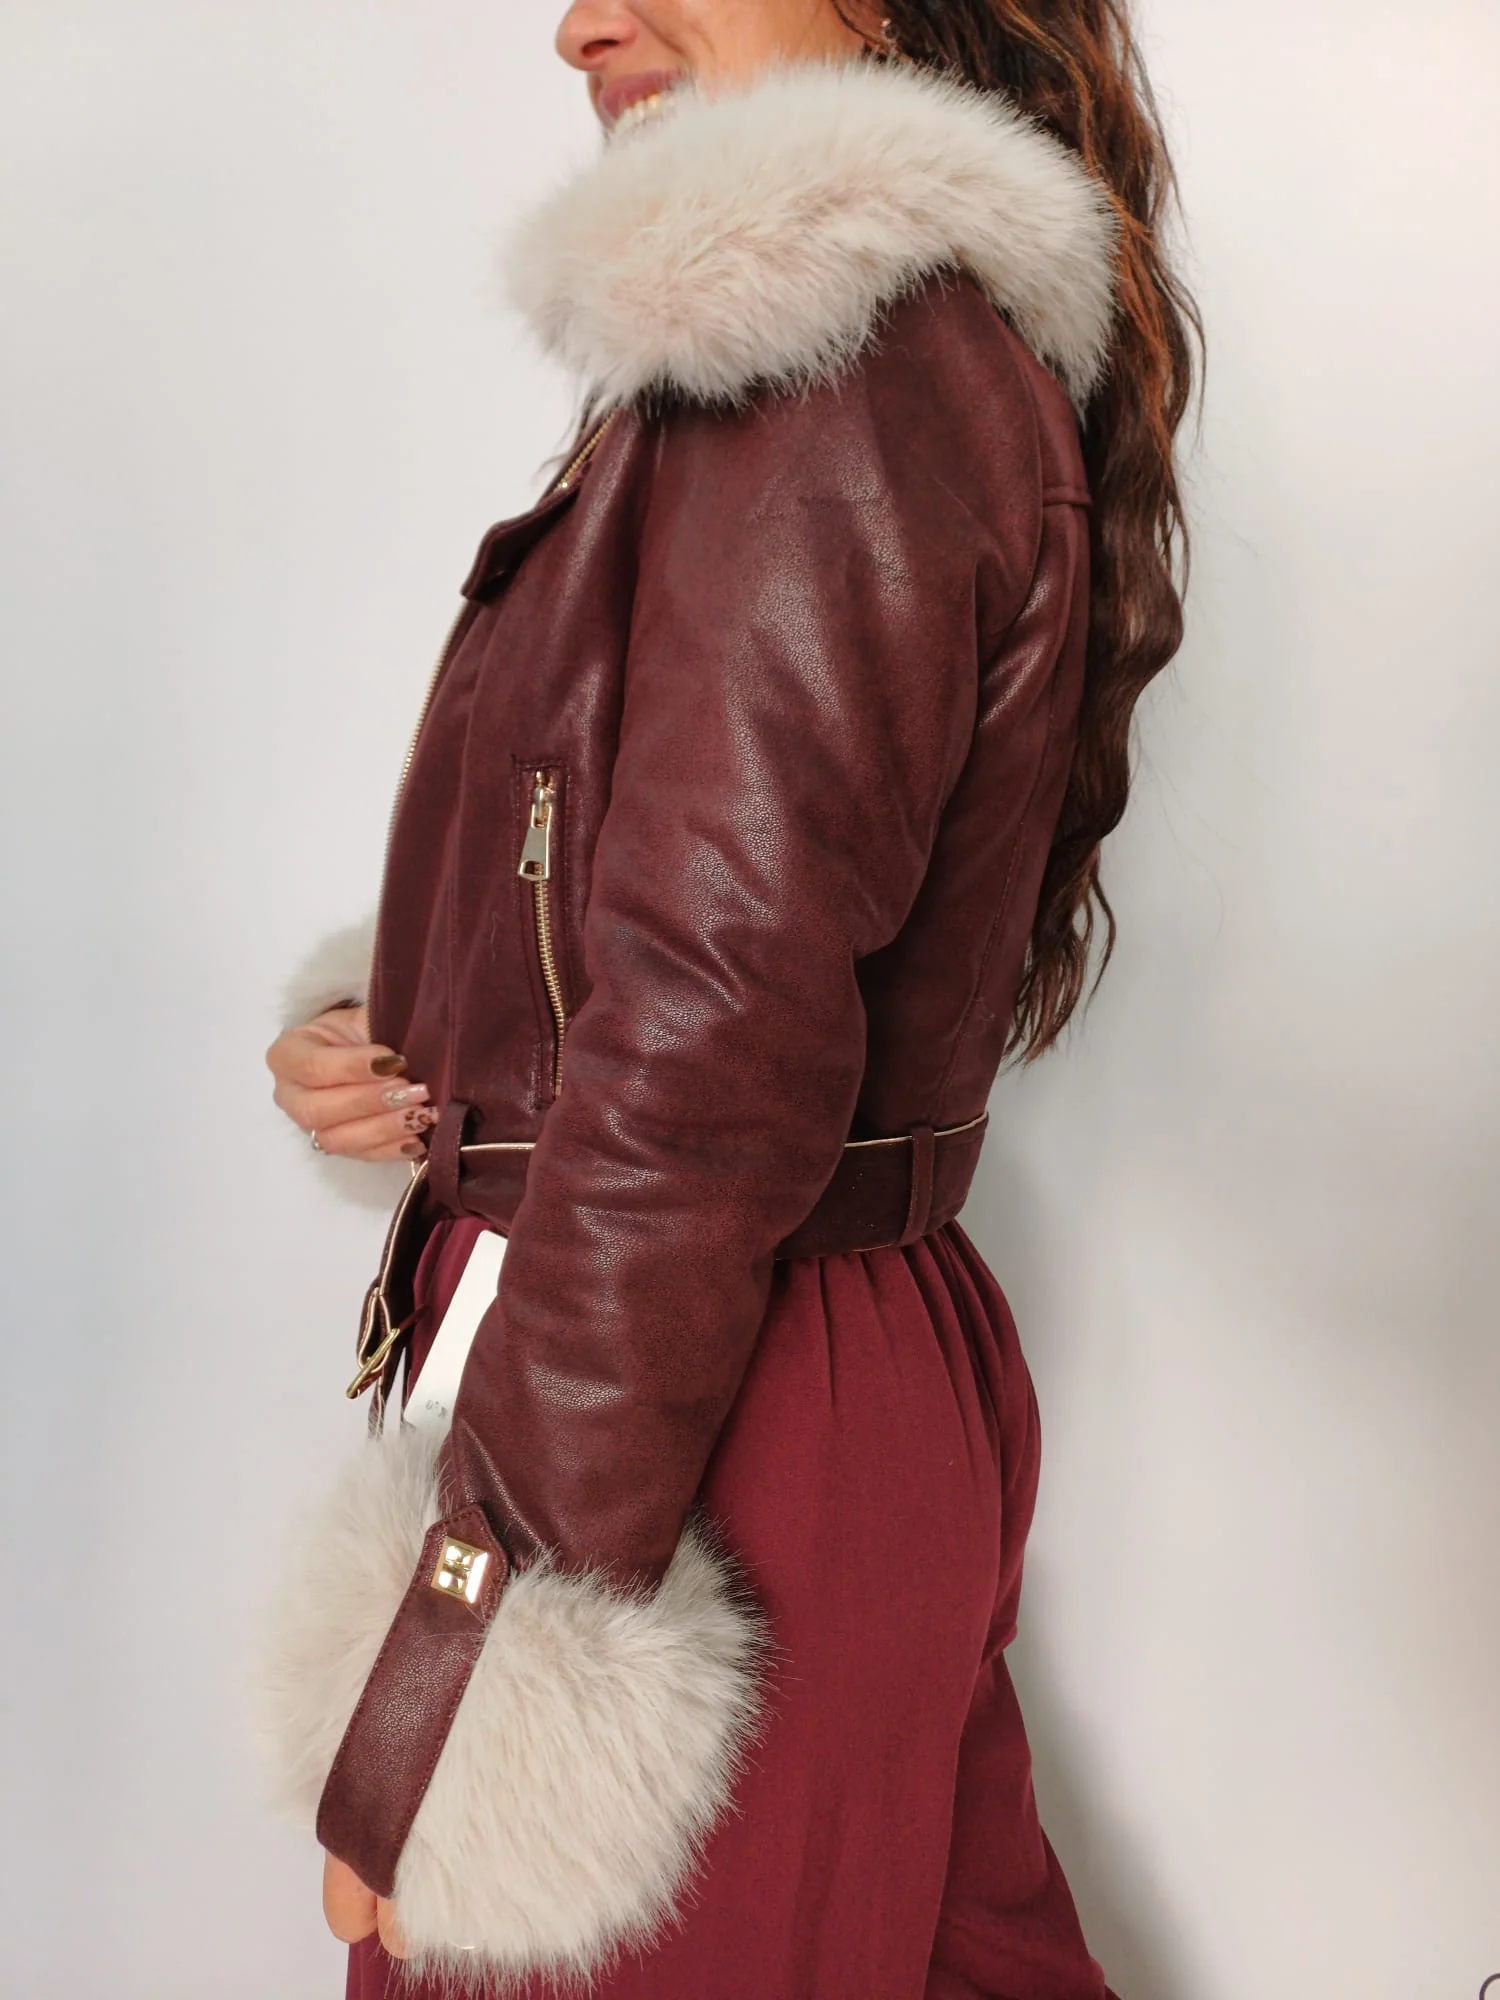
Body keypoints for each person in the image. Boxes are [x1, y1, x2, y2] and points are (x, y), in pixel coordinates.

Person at [262, 2, 1196, 1995]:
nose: (579, 24)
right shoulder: (862, 364)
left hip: (697, 1419)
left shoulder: (829, 365)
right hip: (753, 1364)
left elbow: (700, 1058)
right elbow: (683, 931)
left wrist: (468, 1664)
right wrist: (422, 1041)